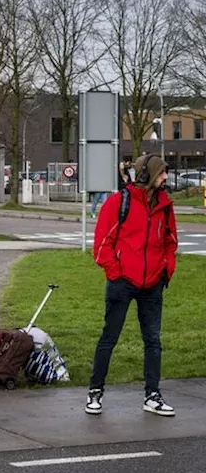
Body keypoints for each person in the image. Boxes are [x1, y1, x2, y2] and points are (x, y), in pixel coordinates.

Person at [86, 154, 178, 417]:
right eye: (161, 173)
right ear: (146, 175)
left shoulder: (165, 204)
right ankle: (95, 391)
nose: (165, 178)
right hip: (122, 282)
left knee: (153, 340)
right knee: (109, 338)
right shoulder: (119, 202)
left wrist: (165, 269)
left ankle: (152, 394)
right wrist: (116, 273)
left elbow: (170, 241)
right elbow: (103, 243)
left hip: (153, 284)